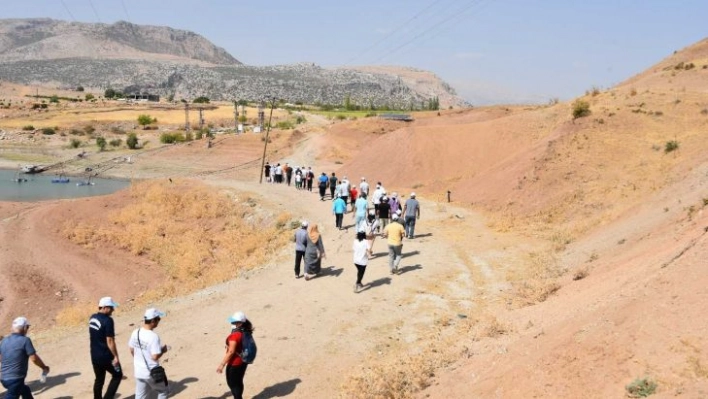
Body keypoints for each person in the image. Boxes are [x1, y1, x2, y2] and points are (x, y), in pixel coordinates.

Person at [0, 317, 50, 399]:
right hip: (16, 379)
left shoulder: (4, 341)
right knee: (13, 394)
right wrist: (44, 367)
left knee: (25, 390)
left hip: (3, 378)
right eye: (27, 327)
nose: (27, 329)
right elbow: (34, 358)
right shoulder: (25, 340)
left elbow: (1, 358)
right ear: (24, 328)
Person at [128, 308, 169, 399]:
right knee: (163, 391)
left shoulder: (136, 332)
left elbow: (131, 349)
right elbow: (155, 357)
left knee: (140, 397)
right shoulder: (153, 337)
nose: (159, 321)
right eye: (158, 319)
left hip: (139, 372)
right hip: (151, 372)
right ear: (153, 321)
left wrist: (139, 360)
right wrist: (163, 350)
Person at [89, 297, 122, 399]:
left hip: (94, 355)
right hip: (106, 356)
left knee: (99, 380)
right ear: (104, 307)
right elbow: (110, 341)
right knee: (117, 375)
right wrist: (115, 357)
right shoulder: (108, 320)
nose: (113, 310)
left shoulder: (93, 317)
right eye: (111, 308)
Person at [217, 312, 254, 399]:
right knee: (239, 381)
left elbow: (231, 351)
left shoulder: (235, 335)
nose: (232, 324)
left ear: (240, 323)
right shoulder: (246, 331)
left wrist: (222, 365)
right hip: (243, 361)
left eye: (233, 322)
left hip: (235, 364)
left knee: (233, 384)